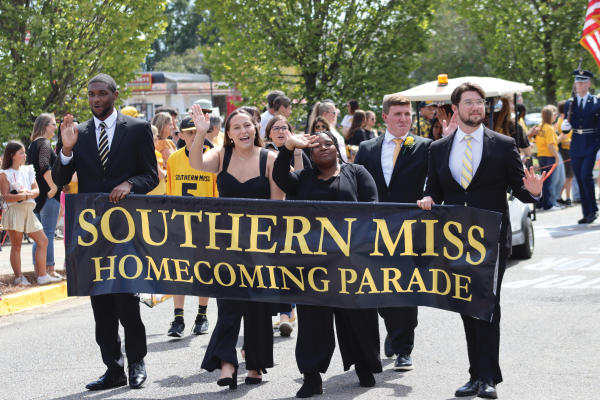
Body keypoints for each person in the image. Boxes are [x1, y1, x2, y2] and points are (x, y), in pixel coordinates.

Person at [417, 82, 543, 399]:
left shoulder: (503, 145)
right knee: (466, 305)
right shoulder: (438, 149)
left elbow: (520, 188)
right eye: (469, 102)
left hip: (491, 237)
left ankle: (487, 377)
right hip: (456, 238)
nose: (476, 107)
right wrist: (427, 199)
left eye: (480, 102)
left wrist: (535, 192)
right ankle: (476, 375)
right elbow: (434, 189)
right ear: (455, 109)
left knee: (487, 304)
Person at [52, 73, 158, 391]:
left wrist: (130, 184)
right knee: (101, 306)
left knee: (127, 300)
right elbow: (59, 178)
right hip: (91, 233)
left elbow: (150, 175)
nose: (95, 99)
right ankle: (113, 369)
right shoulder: (78, 134)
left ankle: (137, 363)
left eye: (101, 93)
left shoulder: (137, 129)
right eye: (91, 95)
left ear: (114, 93)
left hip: (126, 230)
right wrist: (67, 151)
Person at [272, 130, 381, 398]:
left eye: (328, 144)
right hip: (312, 265)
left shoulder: (356, 173)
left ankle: (364, 366)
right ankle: (311, 377)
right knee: (313, 322)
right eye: (317, 146)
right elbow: (279, 177)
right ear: (310, 153)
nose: (323, 148)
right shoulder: (302, 178)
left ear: (337, 148)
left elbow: (373, 208)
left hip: (351, 262)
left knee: (358, 318)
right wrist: (288, 147)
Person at [188, 106, 285, 389]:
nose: (243, 131)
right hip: (226, 244)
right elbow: (196, 164)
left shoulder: (270, 158)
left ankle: (255, 364)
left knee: (257, 306)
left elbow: (278, 205)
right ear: (228, 134)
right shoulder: (220, 155)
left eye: (248, 125)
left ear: (255, 128)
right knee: (229, 305)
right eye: (236, 127)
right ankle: (227, 364)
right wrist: (201, 132)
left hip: (260, 244)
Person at [353, 93, 431, 373]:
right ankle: (392, 328)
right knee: (380, 288)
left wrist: (429, 196)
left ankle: (403, 348)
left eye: (408, 114)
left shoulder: (426, 147)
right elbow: (356, 184)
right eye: (398, 114)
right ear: (385, 117)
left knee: (406, 290)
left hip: (411, 230)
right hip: (374, 231)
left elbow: (435, 182)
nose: (404, 119)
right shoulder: (367, 148)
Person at [165, 115, 217, 337]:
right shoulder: (174, 159)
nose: (194, 136)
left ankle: (202, 315)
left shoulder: (212, 157)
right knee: (179, 270)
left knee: (203, 269)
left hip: (205, 223)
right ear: (181, 135)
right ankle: (178, 318)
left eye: (197, 132)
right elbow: (170, 192)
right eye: (189, 132)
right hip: (180, 222)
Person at [0, 141, 61, 286]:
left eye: (24, 152)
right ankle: (19, 277)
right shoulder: (4, 174)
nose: (24, 155)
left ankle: (42, 276)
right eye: (21, 153)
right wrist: (24, 195)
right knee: (16, 245)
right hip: (14, 210)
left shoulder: (28, 170)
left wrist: (26, 194)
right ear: (12, 155)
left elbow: (37, 190)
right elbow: (6, 196)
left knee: (43, 241)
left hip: (28, 210)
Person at [27, 113, 63, 280]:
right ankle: (50, 270)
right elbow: (44, 166)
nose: (55, 128)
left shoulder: (32, 145)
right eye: (53, 124)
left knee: (39, 236)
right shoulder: (45, 144)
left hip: (38, 196)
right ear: (45, 126)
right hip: (48, 195)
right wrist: (54, 186)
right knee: (48, 233)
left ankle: (38, 270)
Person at [561, 69, 600, 223]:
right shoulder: (570, 103)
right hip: (576, 144)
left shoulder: (596, 102)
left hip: (591, 143)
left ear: (589, 84)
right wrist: (564, 128)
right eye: (577, 81)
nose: (579, 84)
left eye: (583, 82)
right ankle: (586, 212)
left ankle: (593, 209)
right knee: (580, 177)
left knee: (585, 176)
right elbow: (568, 126)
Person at [535, 106, 562, 211]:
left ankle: (540, 204)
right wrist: (556, 156)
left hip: (541, 155)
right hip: (549, 156)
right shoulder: (549, 128)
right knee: (548, 182)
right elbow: (550, 145)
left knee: (543, 181)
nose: (555, 117)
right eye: (554, 114)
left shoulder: (541, 126)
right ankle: (548, 204)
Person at [556, 100, 574, 205]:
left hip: (567, 149)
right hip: (567, 149)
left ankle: (560, 195)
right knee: (569, 176)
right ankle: (567, 197)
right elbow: (564, 138)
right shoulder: (562, 122)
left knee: (568, 175)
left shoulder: (562, 120)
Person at [147, 126, 167, 195]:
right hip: (157, 193)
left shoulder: (141, 152)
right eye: (157, 135)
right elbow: (160, 175)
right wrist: (165, 172)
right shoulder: (152, 153)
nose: (158, 137)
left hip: (148, 192)